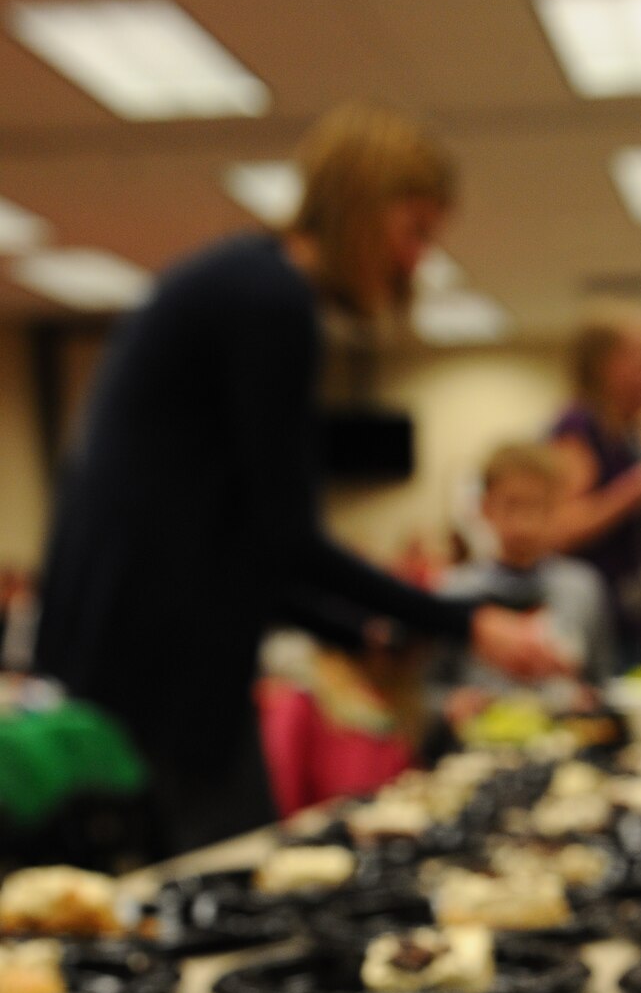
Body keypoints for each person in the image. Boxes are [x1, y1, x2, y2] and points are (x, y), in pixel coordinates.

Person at [35, 104, 567, 856]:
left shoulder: (242, 283)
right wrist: (465, 621)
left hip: (130, 644)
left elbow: (240, 538)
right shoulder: (271, 301)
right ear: (362, 208)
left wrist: (359, 630)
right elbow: (286, 536)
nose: (415, 261)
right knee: (225, 880)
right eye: (412, 231)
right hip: (161, 665)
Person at [548, 312, 641, 669]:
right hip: (595, 615)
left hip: (625, 609)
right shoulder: (578, 428)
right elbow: (560, 527)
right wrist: (636, 488)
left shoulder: (628, 432)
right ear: (605, 365)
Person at [441, 442, 612, 720]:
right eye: (512, 505)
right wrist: (453, 704)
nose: (524, 524)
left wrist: (591, 701)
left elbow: (603, 681)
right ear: (485, 507)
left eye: (537, 506)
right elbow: (430, 692)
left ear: (557, 508)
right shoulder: (456, 589)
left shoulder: (583, 586)